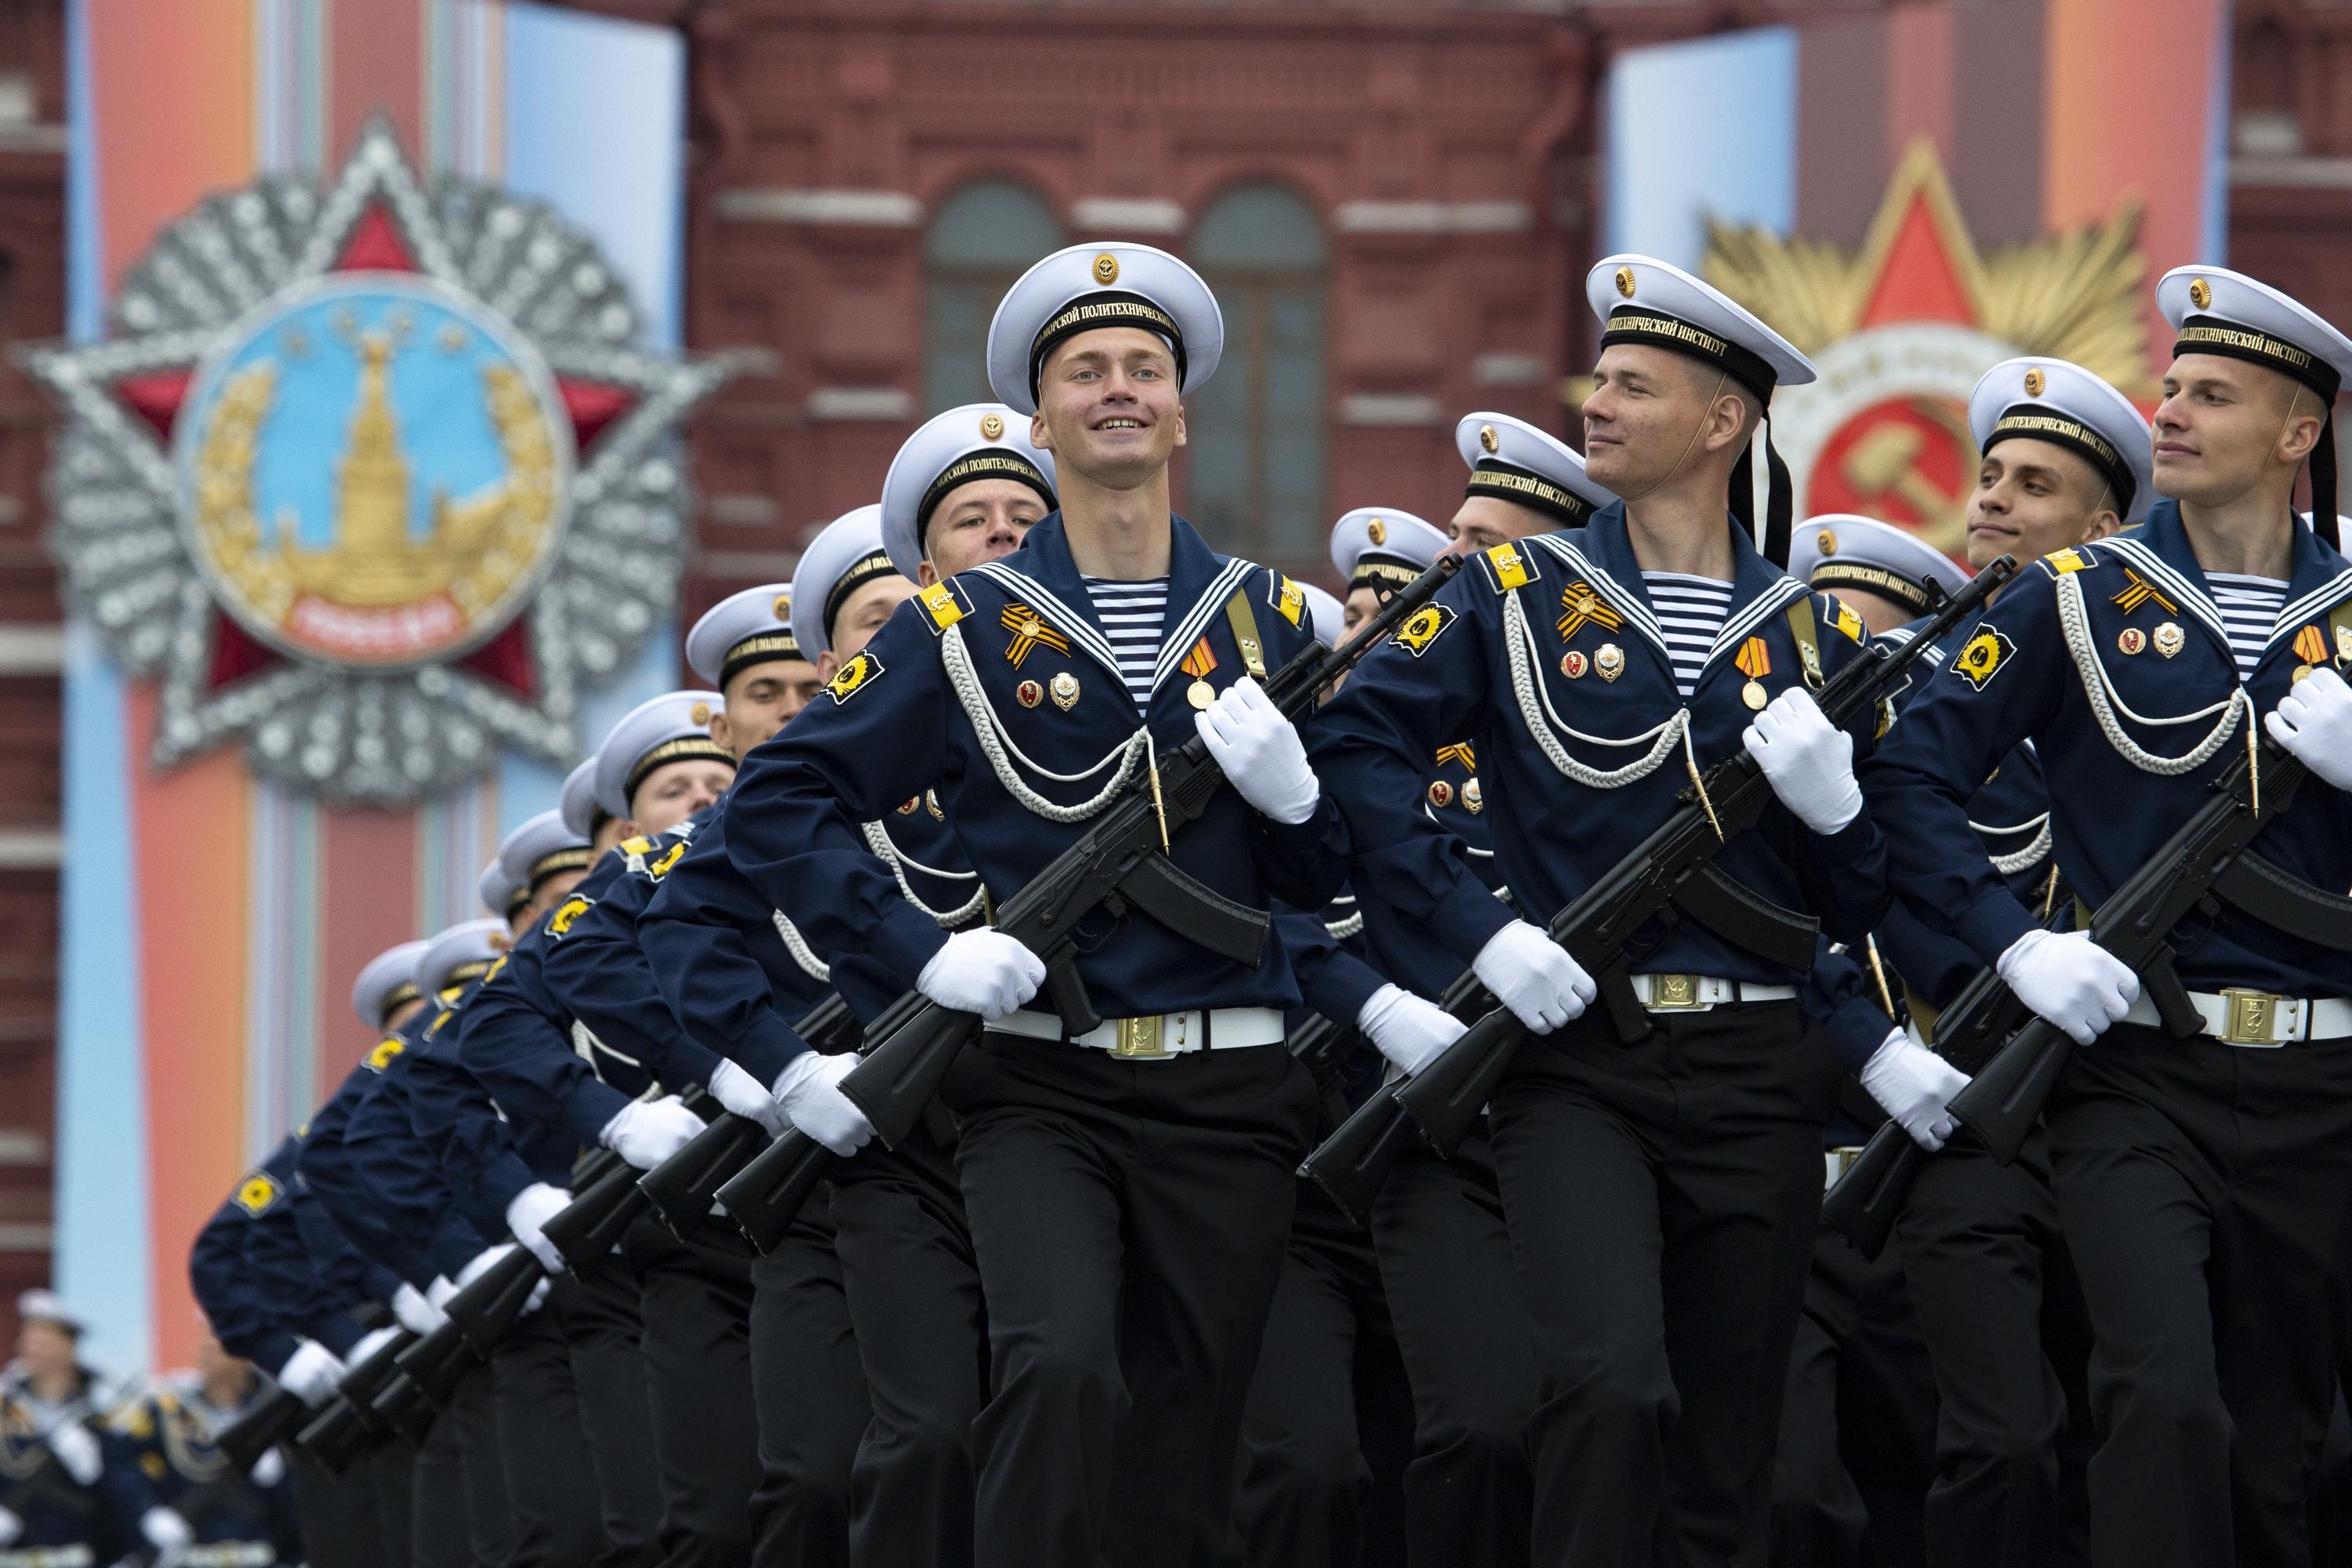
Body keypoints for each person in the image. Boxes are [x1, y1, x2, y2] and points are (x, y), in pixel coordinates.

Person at [724, 240, 1348, 1566]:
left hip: (1230, 1090)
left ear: (1182, 411)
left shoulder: (1280, 626)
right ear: (1046, 414)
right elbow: (777, 800)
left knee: (1189, 1432)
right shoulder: (955, 631)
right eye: (1085, 372)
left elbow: (1343, 882)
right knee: (1060, 1374)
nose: (1117, 390)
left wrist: (1297, 804)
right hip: (1038, 1090)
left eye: (1143, 370)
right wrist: (913, 958)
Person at [1313, 253, 1893, 1563]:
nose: (1599, 406)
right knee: (1611, 1387)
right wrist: (1483, 931)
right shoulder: (1511, 593)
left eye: (1634, 386)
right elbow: (1360, 754)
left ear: (1722, 420)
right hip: (1578, 1064)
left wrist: (1838, 808)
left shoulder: (1811, 636)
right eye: (1600, 382)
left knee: (1728, 1443)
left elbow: (1858, 902)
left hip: (1760, 1067)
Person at [1864, 266, 2352, 1567]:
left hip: (2325, 1084)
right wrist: (2014, 942)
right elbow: (1907, 772)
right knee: (2161, 1396)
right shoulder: (2076, 595)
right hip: (2141, 1077)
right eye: (2172, 387)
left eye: (2212, 394)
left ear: (2300, 433)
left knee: (2279, 1441)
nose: (2172, 412)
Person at [1332, 412, 1613, 1568]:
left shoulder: (1602, 737)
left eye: (1488, 546)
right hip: (1422, 1129)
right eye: (1459, 535)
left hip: (1593, 1115)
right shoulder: (1375, 743)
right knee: (1480, 1426)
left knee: (1604, 1417)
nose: (1456, 562)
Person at [101, 1334, 303, 1566]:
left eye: (218, 1339)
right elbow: (120, 1460)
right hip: (193, 1553)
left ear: (245, 1355)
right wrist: (147, 1514)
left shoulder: (275, 1410)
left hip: (262, 1553)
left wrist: (282, 1479)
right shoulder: (171, 1411)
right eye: (203, 1340)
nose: (206, 1347)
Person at [0, 1291, 130, 1565]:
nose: (30, 1347)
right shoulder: (6, 1404)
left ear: (68, 1346)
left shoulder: (101, 1407)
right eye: (28, 1337)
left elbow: (124, 1491)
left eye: (43, 1339)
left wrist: (99, 1464)